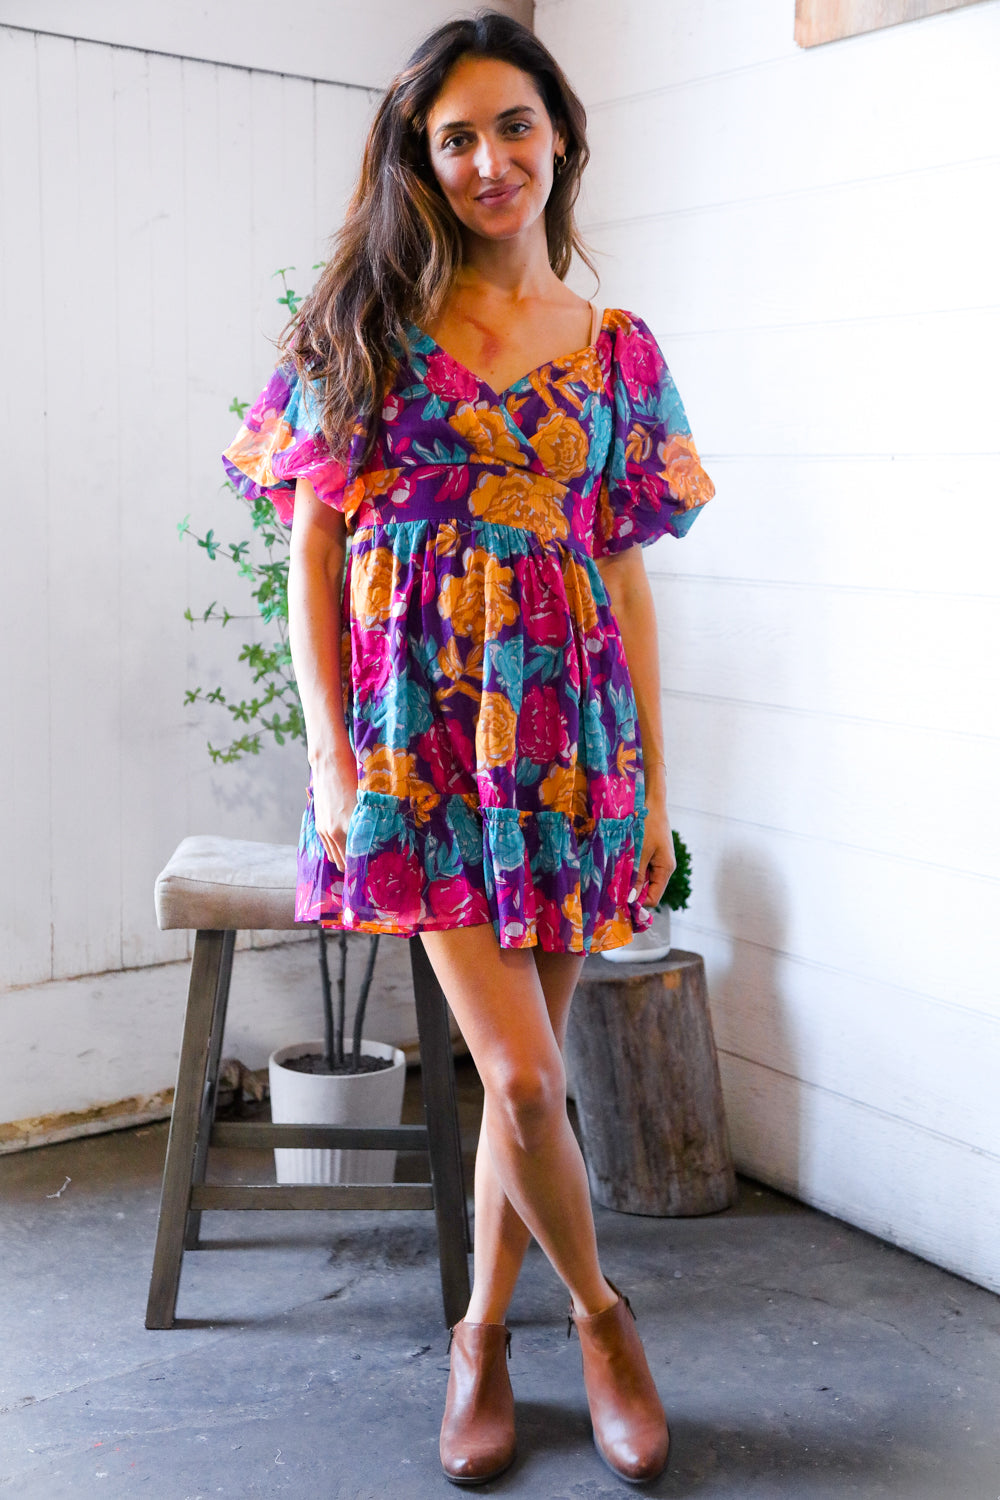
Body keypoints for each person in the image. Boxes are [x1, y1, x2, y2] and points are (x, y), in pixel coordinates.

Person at [223, 11, 713, 1485]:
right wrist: (332, 762)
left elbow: (623, 574)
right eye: (456, 138)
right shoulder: (362, 331)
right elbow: (311, 555)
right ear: (419, 160)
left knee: (524, 1081)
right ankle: (606, 1324)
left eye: (514, 127)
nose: (490, 160)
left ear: (560, 137)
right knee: (524, 1082)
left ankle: (481, 1340)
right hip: (418, 750)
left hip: (568, 750)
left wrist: (653, 793)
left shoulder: (618, 353)